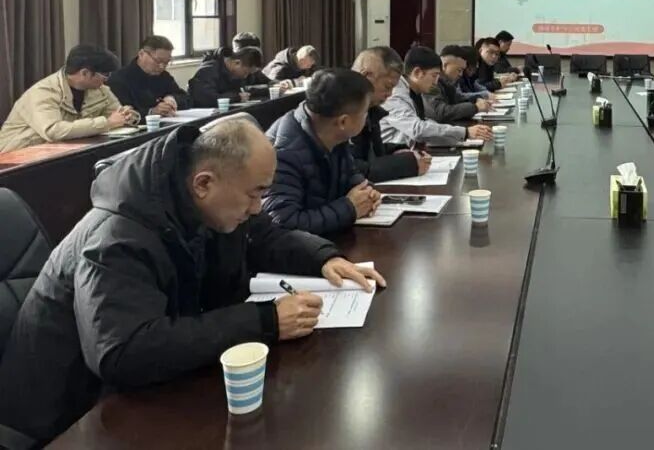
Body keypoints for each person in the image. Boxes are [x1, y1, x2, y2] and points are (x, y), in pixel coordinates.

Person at [0, 117, 385, 445]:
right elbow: (124, 352)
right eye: (254, 194)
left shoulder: (203, 200)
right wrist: (266, 321)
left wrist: (324, 258)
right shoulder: (117, 237)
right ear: (204, 183)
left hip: (142, 390)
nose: (258, 208)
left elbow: (265, 236)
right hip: (67, 417)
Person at [263, 69, 382, 234]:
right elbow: (282, 223)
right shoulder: (284, 152)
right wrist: (349, 209)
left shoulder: (333, 135)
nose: (367, 117)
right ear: (343, 121)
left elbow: (350, 175)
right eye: (365, 112)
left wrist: (366, 193)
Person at [0, 45, 138, 153]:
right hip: (16, 158)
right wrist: (107, 123)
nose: (107, 79)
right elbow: (53, 131)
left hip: (61, 153)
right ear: (85, 73)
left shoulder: (100, 90)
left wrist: (128, 116)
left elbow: (116, 114)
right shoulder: (44, 92)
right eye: (105, 74)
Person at [382, 46, 493, 148]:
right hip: (391, 155)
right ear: (417, 73)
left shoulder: (414, 89)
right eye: (434, 75)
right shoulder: (395, 94)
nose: (436, 82)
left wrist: (460, 137)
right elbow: (417, 129)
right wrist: (465, 132)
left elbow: (424, 121)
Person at [351, 47, 430, 182]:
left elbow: (371, 152)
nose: (390, 94)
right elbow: (350, 169)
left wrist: (398, 150)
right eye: (387, 87)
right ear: (366, 76)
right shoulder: (340, 107)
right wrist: (407, 164)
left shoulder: (371, 109)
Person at [106, 35, 191, 119]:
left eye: (166, 62)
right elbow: (121, 113)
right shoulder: (119, 79)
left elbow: (187, 99)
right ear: (141, 54)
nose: (162, 66)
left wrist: (172, 98)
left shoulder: (164, 76)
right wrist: (151, 112)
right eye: (158, 61)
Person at [426, 45, 493, 123]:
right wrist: (475, 107)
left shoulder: (447, 83)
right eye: (459, 70)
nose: (461, 74)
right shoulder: (431, 82)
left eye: (462, 70)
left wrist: (476, 99)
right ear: (444, 65)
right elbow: (440, 112)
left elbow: (458, 98)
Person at [187, 46, 264, 107]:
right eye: (246, 72)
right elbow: (207, 98)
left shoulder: (234, 74)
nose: (245, 77)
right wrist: (236, 97)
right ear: (237, 63)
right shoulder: (208, 70)